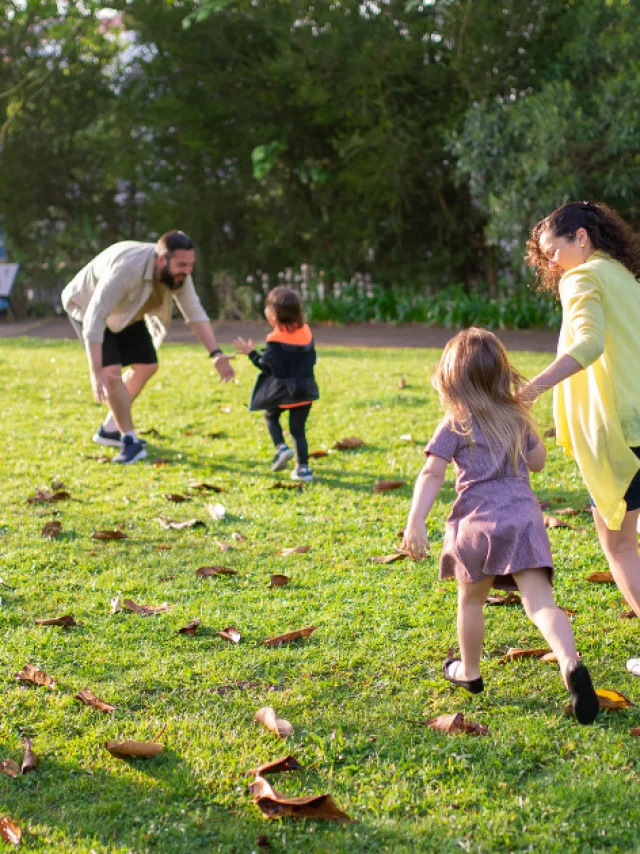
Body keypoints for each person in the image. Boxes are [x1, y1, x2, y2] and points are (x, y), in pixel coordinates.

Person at [402, 328, 599, 724]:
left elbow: (431, 473)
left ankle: (469, 673)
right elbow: (539, 461)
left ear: (451, 379)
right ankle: (570, 662)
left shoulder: (454, 422)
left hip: (475, 523)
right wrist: (525, 425)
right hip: (523, 518)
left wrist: (416, 521)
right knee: (540, 603)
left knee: (471, 600)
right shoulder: (515, 417)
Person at [522, 201, 640, 679]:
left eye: (554, 251)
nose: (552, 264)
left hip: (620, 431)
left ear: (582, 238)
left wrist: (531, 389)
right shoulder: (623, 276)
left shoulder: (582, 276)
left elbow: (587, 344)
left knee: (619, 546)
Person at [62, 231, 235, 463]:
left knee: (147, 366)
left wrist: (216, 354)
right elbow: (95, 316)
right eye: (182, 264)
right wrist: (96, 371)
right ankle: (130, 441)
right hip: (89, 307)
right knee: (111, 374)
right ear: (162, 259)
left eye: (191, 265)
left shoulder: (179, 274)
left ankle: (110, 429)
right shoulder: (128, 268)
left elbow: (194, 313)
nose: (187, 270)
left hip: (127, 313)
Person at [233, 286, 319, 482]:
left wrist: (251, 353)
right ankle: (303, 469)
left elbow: (267, 367)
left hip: (285, 392)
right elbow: (311, 359)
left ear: (273, 314)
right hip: (306, 390)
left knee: (270, 416)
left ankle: (281, 448)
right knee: (298, 431)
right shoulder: (306, 332)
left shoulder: (275, 339)